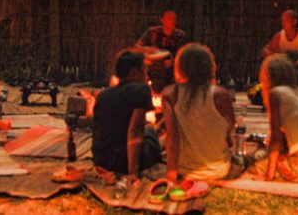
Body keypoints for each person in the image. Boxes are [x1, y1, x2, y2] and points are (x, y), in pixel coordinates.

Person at [163, 43, 241, 182]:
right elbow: (230, 134)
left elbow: (172, 139)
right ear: (209, 67)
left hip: (185, 171)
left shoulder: (170, 94)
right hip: (218, 170)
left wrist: (171, 177)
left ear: (180, 67)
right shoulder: (220, 95)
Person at [92, 51, 161, 178]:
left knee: (147, 131)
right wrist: (133, 172)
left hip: (101, 161)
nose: (147, 77)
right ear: (134, 73)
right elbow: (134, 132)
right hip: (123, 161)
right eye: (144, 72)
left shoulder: (103, 95)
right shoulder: (141, 90)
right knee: (151, 133)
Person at [136, 10, 188, 93]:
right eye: (169, 18)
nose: (172, 21)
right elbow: (137, 47)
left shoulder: (180, 36)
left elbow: (185, 55)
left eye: (174, 19)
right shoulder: (153, 32)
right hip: (153, 69)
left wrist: (173, 61)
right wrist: (149, 50)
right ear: (162, 20)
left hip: (172, 70)